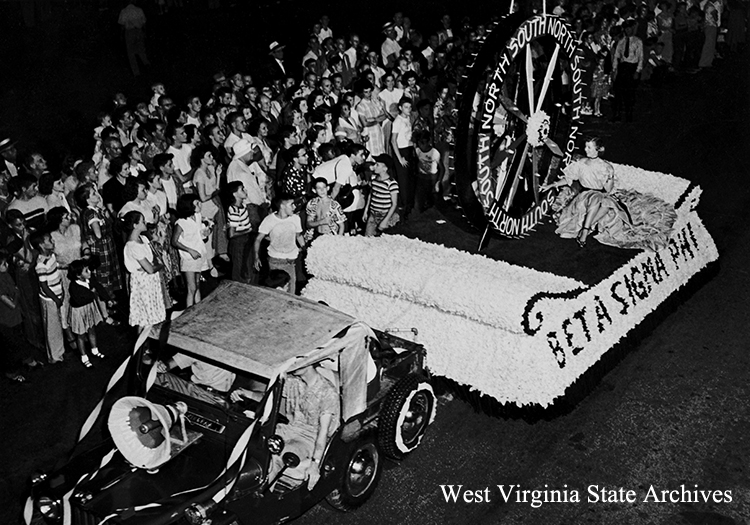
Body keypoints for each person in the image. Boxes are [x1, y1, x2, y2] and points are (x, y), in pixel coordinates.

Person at [542, 137, 677, 251]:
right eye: (585, 147)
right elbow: (568, 178)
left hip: (601, 197)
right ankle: (585, 230)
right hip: (584, 197)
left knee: (603, 200)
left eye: (589, 147)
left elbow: (607, 190)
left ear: (598, 150)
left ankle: (585, 228)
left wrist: (609, 179)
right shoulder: (581, 164)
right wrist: (553, 184)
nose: (586, 150)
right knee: (598, 199)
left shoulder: (606, 167)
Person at [262, 363, 340, 490]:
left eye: (298, 363)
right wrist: (245, 393)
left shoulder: (328, 392)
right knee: (255, 442)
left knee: (278, 456)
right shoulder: (293, 382)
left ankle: (262, 495)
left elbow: (323, 432)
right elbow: (270, 398)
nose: (292, 365)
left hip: (310, 437)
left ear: (310, 364)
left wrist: (315, 464)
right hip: (289, 428)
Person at [75, 183, 123, 299]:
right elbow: (98, 234)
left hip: (107, 247)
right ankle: (106, 300)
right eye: (93, 193)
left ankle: (110, 298)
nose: (97, 195)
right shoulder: (90, 213)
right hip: (101, 249)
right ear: (87, 199)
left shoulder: (96, 210)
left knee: (109, 275)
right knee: (104, 275)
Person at [122, 211, 166, 328]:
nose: (145, 222)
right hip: (143, 284)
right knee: (144, 318)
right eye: (142, 221)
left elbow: (154, 259)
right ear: (135, 225)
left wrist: (154, 264)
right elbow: (150, 269)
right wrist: (160, 265)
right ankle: (142, 345)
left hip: (151, 282)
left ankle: (148, 344)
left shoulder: (143, 239)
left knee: (151, 316)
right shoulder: (132, 246)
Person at [254, 194, 304, 295]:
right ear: (282, 206)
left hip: (291, 262)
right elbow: (258, 239)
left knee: (291, 293)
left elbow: (298, 236)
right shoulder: (269, 220)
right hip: (275, 262)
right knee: (278, 293)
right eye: (291, 204)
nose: (294, 207)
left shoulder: (295, 218)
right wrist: (256, 256)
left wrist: (305, 248)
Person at [67, 259, 111, 367]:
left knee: (91, 329)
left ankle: (94, 350)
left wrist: (107, 299)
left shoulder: (89, 279)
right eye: (86, 271)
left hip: (89, 307)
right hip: (79, 311)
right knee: (81, 334)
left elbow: (99, 287)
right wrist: (92, 294)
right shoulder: (74, 287)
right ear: (78, 275)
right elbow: (79, 299)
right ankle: (84, 356)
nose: (89, 272)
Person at [30, 231, 65, 365]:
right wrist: (56, 299)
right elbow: (44, 286)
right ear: (41, 245)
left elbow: (56, 270)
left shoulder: (51, 256)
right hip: (50, 300)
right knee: (52, 328)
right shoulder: (41, 264)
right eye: (49, 240)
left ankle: (59, 352)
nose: (52, 241)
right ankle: (54, 357)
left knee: (58, 326)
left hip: (57, 295)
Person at [172, 194, 210, 307]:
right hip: (189, 258)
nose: (200, 205)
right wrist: (190, 250)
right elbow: (174, 242)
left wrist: (206, 234)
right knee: (191, 288)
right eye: (196, 203)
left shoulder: (198, 216)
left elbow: (199, 236)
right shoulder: (181, 223)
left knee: (197, 285)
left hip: (199, 255)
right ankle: (189, 312)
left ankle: (198, 309)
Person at [611, 21, 644, 122]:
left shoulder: (637, 41)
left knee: (629, 93)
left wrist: (637, 71)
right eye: (625, 29)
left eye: (629, 28)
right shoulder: (621, 42)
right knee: (619, 91)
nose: (627, 31)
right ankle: (617, 114)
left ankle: (629, 114)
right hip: (623, 67)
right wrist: (614, 69)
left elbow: (640, 57)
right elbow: (617, 56)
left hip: (632, 67)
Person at [363, 154, 399, 236]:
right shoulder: (373, 179)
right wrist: (365, 211)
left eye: (377, 165)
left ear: (385, 169)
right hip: (372, 214)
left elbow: (394, 204)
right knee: (368, 238)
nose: (374, 166)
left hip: (384, 215)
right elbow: (371, 195)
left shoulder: (391, 183)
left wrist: (385, 221)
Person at [391, 97, 415, 219]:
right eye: (406, 107)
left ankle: (410, 207)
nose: (409, 109)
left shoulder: (408, 118)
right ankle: (404, 208)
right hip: (401, 152)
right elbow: (393, 141)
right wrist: (400, 158)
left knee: (410, 179)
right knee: (403, 181)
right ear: (400, 108)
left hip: (409, 150)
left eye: (410, 107)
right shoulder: (397, 121)